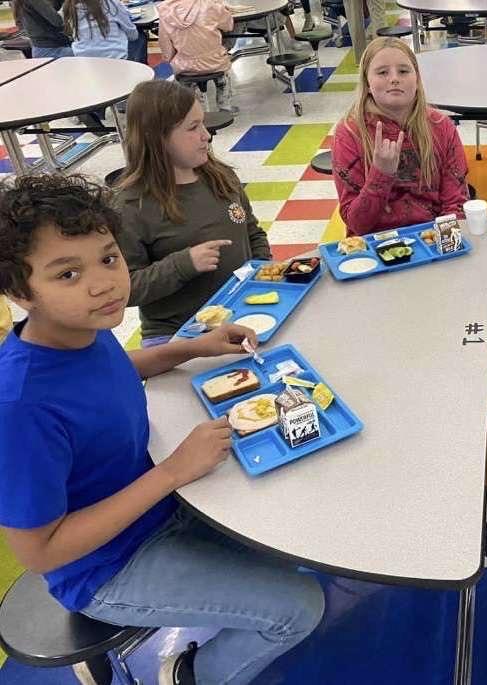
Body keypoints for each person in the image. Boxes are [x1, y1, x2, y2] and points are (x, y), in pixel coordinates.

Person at [0, 173, 324, 685]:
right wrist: (174, 471)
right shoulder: (19, 406)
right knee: (298, 607)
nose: (103, 282)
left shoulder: (81, 330)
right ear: (21, 291)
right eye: (66, 274)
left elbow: (115, 369)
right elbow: (39, 551)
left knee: (294, 515)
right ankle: (192, 675)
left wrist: (193, 347)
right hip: (105, 569)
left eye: (108, 258)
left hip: (162, 510)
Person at [116, 80, 271, 346]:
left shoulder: (222, 177)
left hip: (242, 312)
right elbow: (124, 289)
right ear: (157, 137)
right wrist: (182, 265)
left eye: (203, 123)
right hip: (177, 335)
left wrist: (264, 272)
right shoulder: (130, 206)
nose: (206, 135)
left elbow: (252, 232)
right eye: (193, 128)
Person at [332, 37, 469, 236]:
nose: (394, 78)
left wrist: (445, 250)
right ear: (367, 83)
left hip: (433, 238)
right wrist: (380, 173)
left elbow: (455, 205)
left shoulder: (441, 127)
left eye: (404, 71)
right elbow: (357, 225)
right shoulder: (350, 134)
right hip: (375, 247)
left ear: (417, 79)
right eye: (382, 72)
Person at [157, 0, 238, 114]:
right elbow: (228, 26)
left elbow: (164, 43)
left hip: (184, 65)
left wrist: (170, 59)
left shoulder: (165, 12)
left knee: (182, 81)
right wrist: (223, 9)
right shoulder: (209, 6)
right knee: (223, 72)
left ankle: (192, 110)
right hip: (215, 61)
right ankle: (225, 106)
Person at [62, 0, 140, 59]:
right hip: (116, 58)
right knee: (140, 37)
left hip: (83, 59)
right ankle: (140, 73)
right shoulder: (111, 3)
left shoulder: (68, 7)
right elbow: (133, 35)